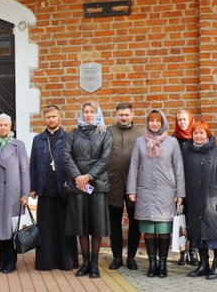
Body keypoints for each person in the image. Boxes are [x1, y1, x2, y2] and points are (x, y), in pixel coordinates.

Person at [127, 109, 185, 278]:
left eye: (157, 121)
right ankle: (152, 264)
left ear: (163, 123)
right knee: (149, 228)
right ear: (147, 123)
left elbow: (178, 169)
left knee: (163, 228)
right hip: (144, 191)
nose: (154, 124)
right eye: (151, 120)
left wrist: (180, 192)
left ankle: (162, 264)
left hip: (166, 191)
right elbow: (134, 166)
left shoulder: (172, 142)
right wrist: (131, 190)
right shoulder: (140, 142)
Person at [63, 101, 113, 280]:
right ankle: (84, 262)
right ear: (82, 113)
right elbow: (67, 156)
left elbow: (106, 158)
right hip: (78, 186)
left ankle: (94, 263)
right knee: (82, 225)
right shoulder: (73, 134)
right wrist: (78, 177)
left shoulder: (105, 133)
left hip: (97, 185)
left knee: (96, 226)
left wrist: (89, 176)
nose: (89, 115)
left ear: (97, 113)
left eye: (92, 112)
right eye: (86, 112)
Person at [29, 105, 77, 271]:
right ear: (45, 119)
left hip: (63, 190)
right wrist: (33, 187)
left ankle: (66, 262)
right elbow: (33, 165)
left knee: (65, 228)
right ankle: (46, 262)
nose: (51, 120)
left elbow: (74, 164)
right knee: (46, 228)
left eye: (54, 117)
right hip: (45, 189)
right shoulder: (38, 139)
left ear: (59, 118)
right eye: (48, 117)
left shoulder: (69, 137)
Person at [182, 121, 217, 280]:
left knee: (215, 234)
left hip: (213, 201)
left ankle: (216, 266)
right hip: (194, 201)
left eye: (202, 133)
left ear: (208, 135)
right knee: (197, 234)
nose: (198, 136)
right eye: (195, 133)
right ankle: (203, 264)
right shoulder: (187, 151)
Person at [0, 113, 29, 274]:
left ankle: (11, 261)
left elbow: (24, 170)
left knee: (12, 229)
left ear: (10, 126)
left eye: (6, 125)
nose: (3, 127)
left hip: (14, 194)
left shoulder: (19, 145)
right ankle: (2, 259)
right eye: (0, 125)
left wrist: (25, 194)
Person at [107, 102, 143, 271]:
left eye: (127, 115)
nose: (124, 117)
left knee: (135, 223)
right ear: (116, 115)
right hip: (113, 184)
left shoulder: (140, 134)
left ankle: (131, 257)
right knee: (115, 224)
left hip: (134, 185)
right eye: (121, 115)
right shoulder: (108, 132)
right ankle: (117, 257)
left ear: (132, 115)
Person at [173, 109, 199, 266]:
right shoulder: (173, 140)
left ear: (190, 121)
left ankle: (194, 252)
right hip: (178, 187)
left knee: (194, 220)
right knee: (180, 220)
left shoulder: (196, 139)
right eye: (180, 120)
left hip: (194, 186)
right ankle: (182, 252)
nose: (182, 122)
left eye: (185, 119)